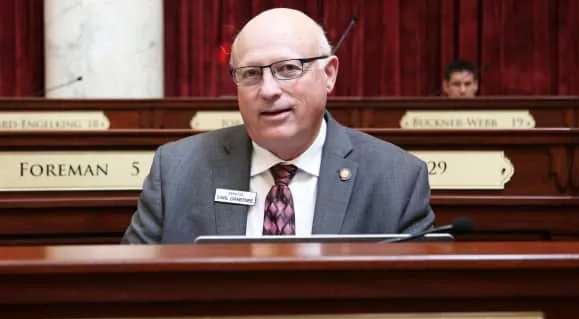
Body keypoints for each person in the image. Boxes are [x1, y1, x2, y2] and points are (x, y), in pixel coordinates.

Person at [121, 8, 434, 244]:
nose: (268, 90)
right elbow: (130, 287)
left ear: (329, 75)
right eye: (251, 74)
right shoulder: (176, 171)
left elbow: (420, 299)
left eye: (287, 69)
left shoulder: (396, 179)